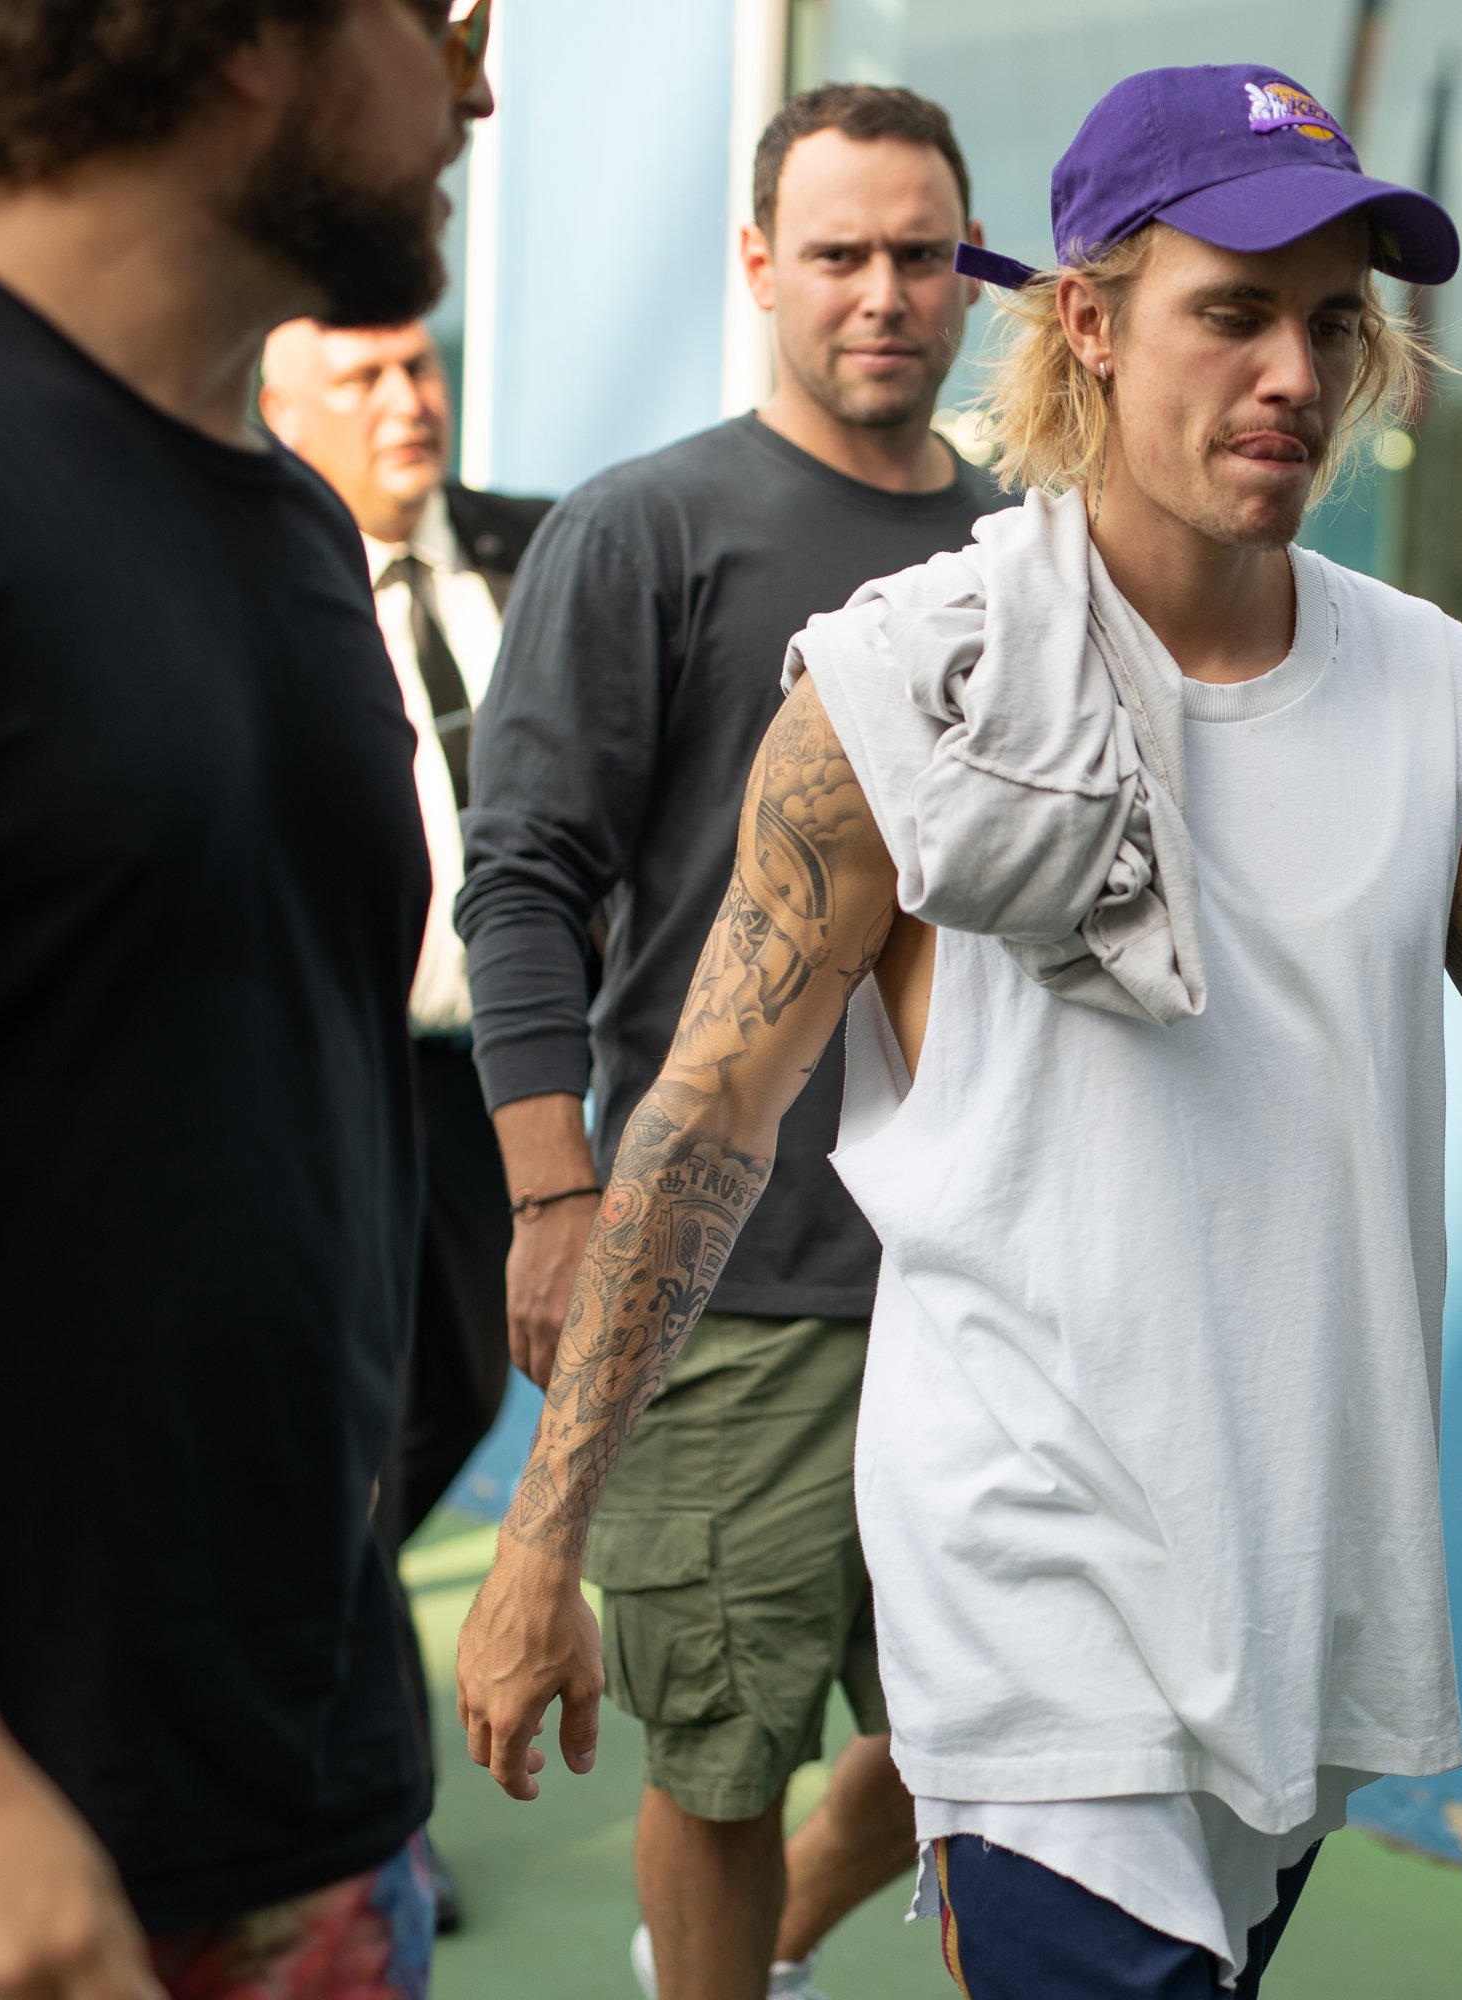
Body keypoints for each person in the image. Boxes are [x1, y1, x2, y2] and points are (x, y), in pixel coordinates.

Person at [453, 61, 1462, 2000]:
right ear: (1094, 322)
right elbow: (702, 1126)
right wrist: (545, 1536)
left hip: (1301, 1585)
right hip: (1028, 1585)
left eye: (1331, 321)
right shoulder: (900, 692)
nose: (1294, 368)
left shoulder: (1443, 702)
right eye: (1235, 308)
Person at [452, 82, 1004, 2000]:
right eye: (838, 253)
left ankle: (753, 1955)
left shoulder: (1034, 554)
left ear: (971, 277)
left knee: (986, 1750)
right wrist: (554, 1198)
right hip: (732, 1281)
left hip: (985, 1273)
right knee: (716, 1742)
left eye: (921, 255)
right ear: (761, 265)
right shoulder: (644, 532)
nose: (882, 294)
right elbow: (520, 881)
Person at [0, 3, 491, 1996]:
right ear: (250, 33)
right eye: (439, 20)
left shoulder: (289, 527)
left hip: (306, 1826)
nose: (475, 86)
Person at [257, 312, 551, 1934]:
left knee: (438, 1404)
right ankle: (380, 1828)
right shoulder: (256, 571)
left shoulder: (545, 551)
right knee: (357, 1440)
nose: (405, 400)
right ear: (283, 410)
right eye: (360, 378)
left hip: (525, 1073)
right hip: (340, 1068)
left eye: (418, 367)